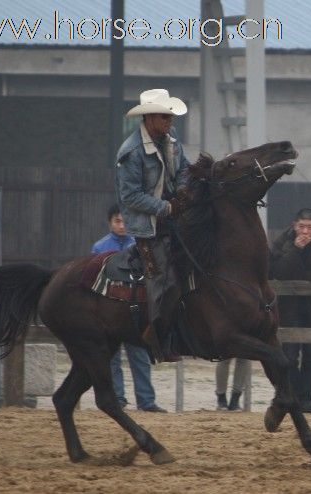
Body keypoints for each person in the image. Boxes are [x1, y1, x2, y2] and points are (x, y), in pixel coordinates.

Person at [115, 88, 190, 362]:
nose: (170, 121)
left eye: (170, 117)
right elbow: (130, 196)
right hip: (147, 225)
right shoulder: (131, 152)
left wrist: (181, 191)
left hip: (172, 218)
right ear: (149, 118)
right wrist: (166, 207)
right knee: (164, 279)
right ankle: (157, 335)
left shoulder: (171, 141)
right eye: (164, 116)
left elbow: (185, 169)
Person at [91, 204, 166, 413]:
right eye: (117, 221)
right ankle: (118, 399)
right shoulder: (99, 247)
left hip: (134, 313)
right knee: (111, 360)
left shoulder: (139, 245)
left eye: (125, 221)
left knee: (140, 358)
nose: (122, 225)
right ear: (110, 222)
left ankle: (146, 401)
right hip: (108, 312)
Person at [270, 208, 311, 413]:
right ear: (294, 225)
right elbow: (277, 271)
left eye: (309, 227)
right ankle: (293, 395)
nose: (305, 231)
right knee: (289, 355)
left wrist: (302, 274)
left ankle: (307, 397)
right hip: (289, 308)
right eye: (301, 226)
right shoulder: (282, 241)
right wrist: (295, 251)